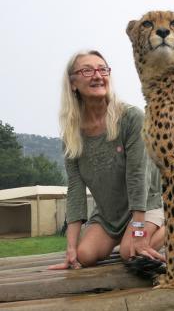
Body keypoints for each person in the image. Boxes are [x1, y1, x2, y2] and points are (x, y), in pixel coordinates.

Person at [49, 50, 165, 270]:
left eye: (103, 69)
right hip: (108, 214)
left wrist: (138, 231)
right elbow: (75, 190)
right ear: (73, 83)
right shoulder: (72, 135)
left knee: (129, 253)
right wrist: (71, 247)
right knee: (84, 256)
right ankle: (127, 236)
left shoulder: (131, 118)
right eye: (87, 70)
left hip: (146, 204)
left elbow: (138, 177)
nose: (97, 75)